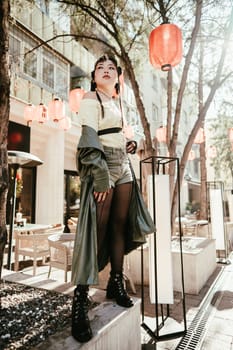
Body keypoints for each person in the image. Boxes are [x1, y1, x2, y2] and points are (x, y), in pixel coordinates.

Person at [71, 53, 155, 343]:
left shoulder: (116, 102)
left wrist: (130, 142)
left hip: (124, 166)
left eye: (111, 68)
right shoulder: (89, 99)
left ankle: (115, 284)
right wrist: (101, 174)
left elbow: (117, 134)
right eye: (100, 68)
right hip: (102, 164)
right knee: (98, 228)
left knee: (119, 224)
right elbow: (89, 138)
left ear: (117, 76)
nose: (106, 70)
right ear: (93, 76)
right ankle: (80, 300)